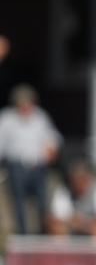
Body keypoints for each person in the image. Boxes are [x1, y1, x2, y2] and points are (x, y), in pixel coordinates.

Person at [0, 84, 61, 234]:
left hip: (38, 167)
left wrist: (51, 149)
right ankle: (23, 234)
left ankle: (42, 233)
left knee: (42, 202)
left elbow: (53, 137)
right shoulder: (7, 118)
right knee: (18, 202)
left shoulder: (40, 117)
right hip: (16, 166)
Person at [47, 159, 96, 237]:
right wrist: (72, 223)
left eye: (81, 179)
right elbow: (55, 222)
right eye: (75, 179)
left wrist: (84, 224)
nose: (78, 183)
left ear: (88, 178)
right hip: (72, 236)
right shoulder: (64, 191)